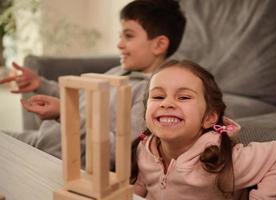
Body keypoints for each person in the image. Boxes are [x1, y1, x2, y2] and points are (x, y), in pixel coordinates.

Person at [0, 0, 186, 168]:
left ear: (159, 45)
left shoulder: (151, 95)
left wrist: (65, 114)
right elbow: (78, 98)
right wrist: (40, 84)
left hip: (61, 159)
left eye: (128, 36)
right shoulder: (118, 71)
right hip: (40, 139)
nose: (119, 45)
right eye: (120, 36)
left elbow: (118, 153)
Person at [131, 60, 276, 199]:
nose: (166, 103)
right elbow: (140, 186)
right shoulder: (144, 150)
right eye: (158, 96)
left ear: (209, 118)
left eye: (183, 97)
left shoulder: (222, 159)